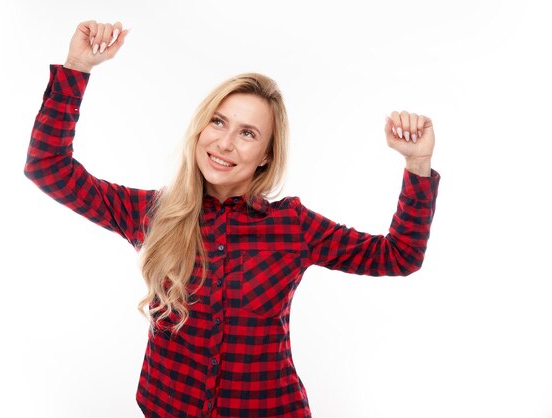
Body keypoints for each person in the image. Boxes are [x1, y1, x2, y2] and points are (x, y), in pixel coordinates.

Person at [24, 20, 440, 418]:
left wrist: (417, 165)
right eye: (218, 122)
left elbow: (400, 255)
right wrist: (77, 68)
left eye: (248, 133)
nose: (224, 142)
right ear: (201, 128)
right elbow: (47, 166)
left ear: (267, 156)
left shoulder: (294, 227)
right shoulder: (154, 213)